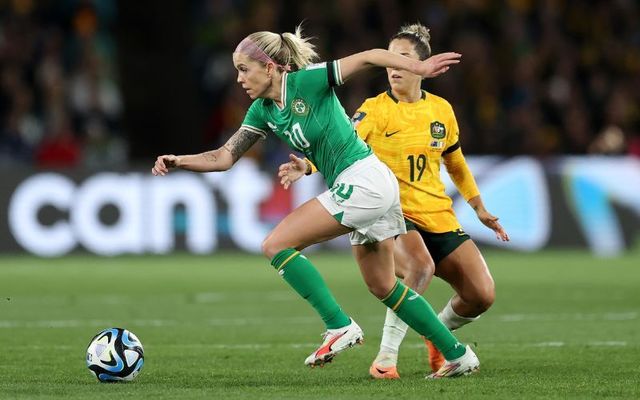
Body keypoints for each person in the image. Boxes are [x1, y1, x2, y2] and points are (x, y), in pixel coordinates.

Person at [153, 25, 479, 378]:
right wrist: (180, 160)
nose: (238, 79)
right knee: (383, 286)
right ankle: (457, 353)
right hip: (368, 183)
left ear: (272, 66)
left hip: (364, 179)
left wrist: (421, 68)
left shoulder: (307, 80)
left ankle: (338, 325)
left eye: (244, 69)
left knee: (276, 243)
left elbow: (369, 57)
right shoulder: (262, 111)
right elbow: (223, 157)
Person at [278, 23, 509, 379]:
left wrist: (478, 206)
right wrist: (306, 166)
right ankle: (386, 360)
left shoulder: (442, 111)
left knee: (482, 294)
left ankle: (439, 336)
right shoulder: (375, 109)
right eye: (388, 59)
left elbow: (456, 162)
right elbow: (341, 142)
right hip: (395, 213)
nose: (392, 66)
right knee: (419, 268)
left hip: (438, 214)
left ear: (421, 65)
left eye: (402, 58)